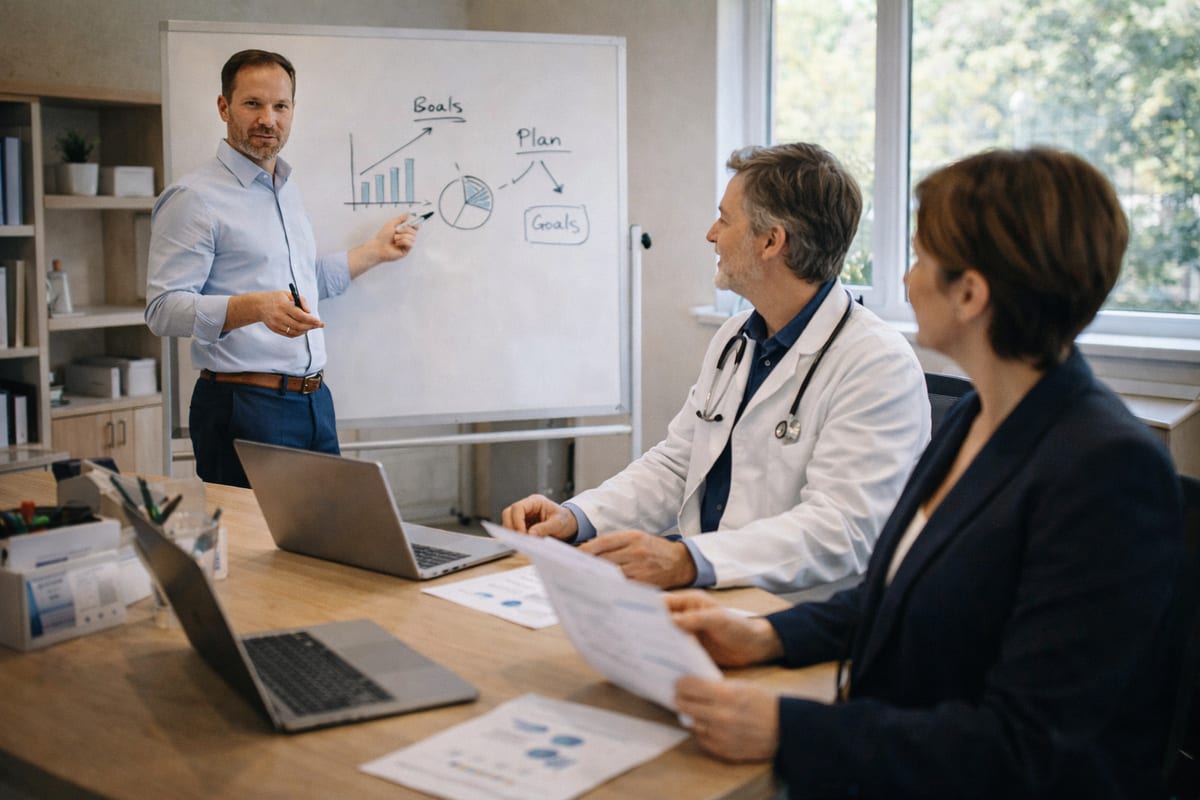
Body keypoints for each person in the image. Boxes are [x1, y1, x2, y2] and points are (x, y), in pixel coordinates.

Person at [669, 147, 1183, 798]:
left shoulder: (1106, 470)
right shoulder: (976, 418)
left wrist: (789, 730)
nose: (906, 281)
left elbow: (1030, 749)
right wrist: (764, 635)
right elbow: (897, 597)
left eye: (917, 259)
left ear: (970, 294)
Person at [502, 143, 929, 593]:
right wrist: (576, 517)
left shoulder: (876, 364)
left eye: (724, 220)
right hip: (706, 581)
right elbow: (679, 464)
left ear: (771, 241)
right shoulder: (735, 339)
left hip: (790, 606)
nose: (711, 234)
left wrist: (690, 560)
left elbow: (841, 530)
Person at [146, 49, 420, 488]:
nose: (268, 119)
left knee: (323, 529)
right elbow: (162, 310)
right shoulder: (193, 198)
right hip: (244, 405)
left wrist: (375, 251)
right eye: (252, 104)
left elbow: (303, 284)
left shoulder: (285, 189)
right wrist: (255, 307)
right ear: (224, 107)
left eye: (280, 106)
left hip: (314, 403)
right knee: (252, 535)